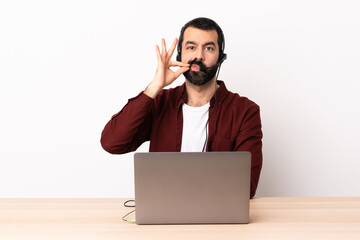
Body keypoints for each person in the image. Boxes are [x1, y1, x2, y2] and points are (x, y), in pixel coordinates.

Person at [100, 17, 263, 198]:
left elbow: (246, 187)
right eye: (191, 47)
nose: (199, 56)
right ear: (180, 54)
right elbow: (112, 143)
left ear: (221, 57)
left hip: (217, 216)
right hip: (163, 214)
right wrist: (154, 87)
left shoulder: (245, 111)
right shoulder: (159, 103)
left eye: (208, 48)